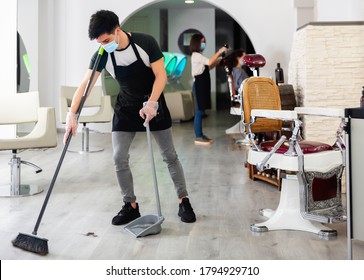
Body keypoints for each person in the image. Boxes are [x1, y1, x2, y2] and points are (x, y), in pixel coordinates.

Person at [64, 10, 196, 225]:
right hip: (126, 108)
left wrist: (152, 103)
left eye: (106, 40)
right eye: (100, 42)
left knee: (169, 156)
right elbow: (85, 86)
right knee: (118, 157)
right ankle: (130, 205)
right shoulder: (102, 54)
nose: (104, 45)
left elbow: (161, 75)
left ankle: (184, 201)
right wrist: (72, 114)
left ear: (117, 30)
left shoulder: (145, 43)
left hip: (153, 106)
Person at [190, 34, 228, 145]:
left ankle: (200, 135)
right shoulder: (196, 55)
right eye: (202, 41)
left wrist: (218, 61)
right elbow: (209, 62)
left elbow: (208, 66)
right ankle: (198, 137)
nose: (203, 43)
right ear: (197, 43)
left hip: (201, 86)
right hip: (198, 86)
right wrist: (219, 51)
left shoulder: (199, 56)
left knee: (201, 111)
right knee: (199, 112)